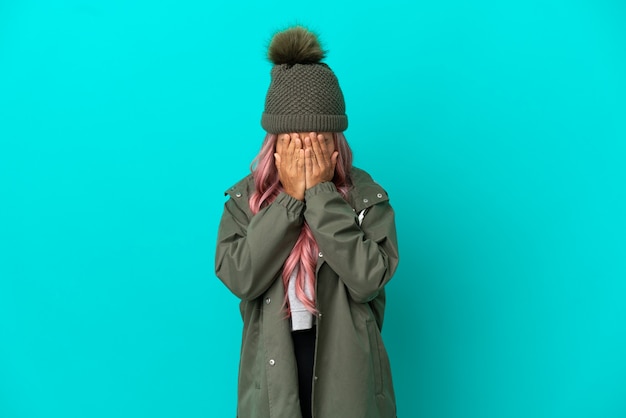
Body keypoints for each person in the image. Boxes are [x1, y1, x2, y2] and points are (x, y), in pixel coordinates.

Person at [215, 25, 400, 418]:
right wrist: (290, 201)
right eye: (293, 139)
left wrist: (319, 195)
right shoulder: (242, 200)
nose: (305, 149)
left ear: (336, 141)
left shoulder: (367, 197)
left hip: (348, 373)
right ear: (273, 144)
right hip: (273, 371)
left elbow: (368, 279)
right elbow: (240, 276)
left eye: (316, 138)